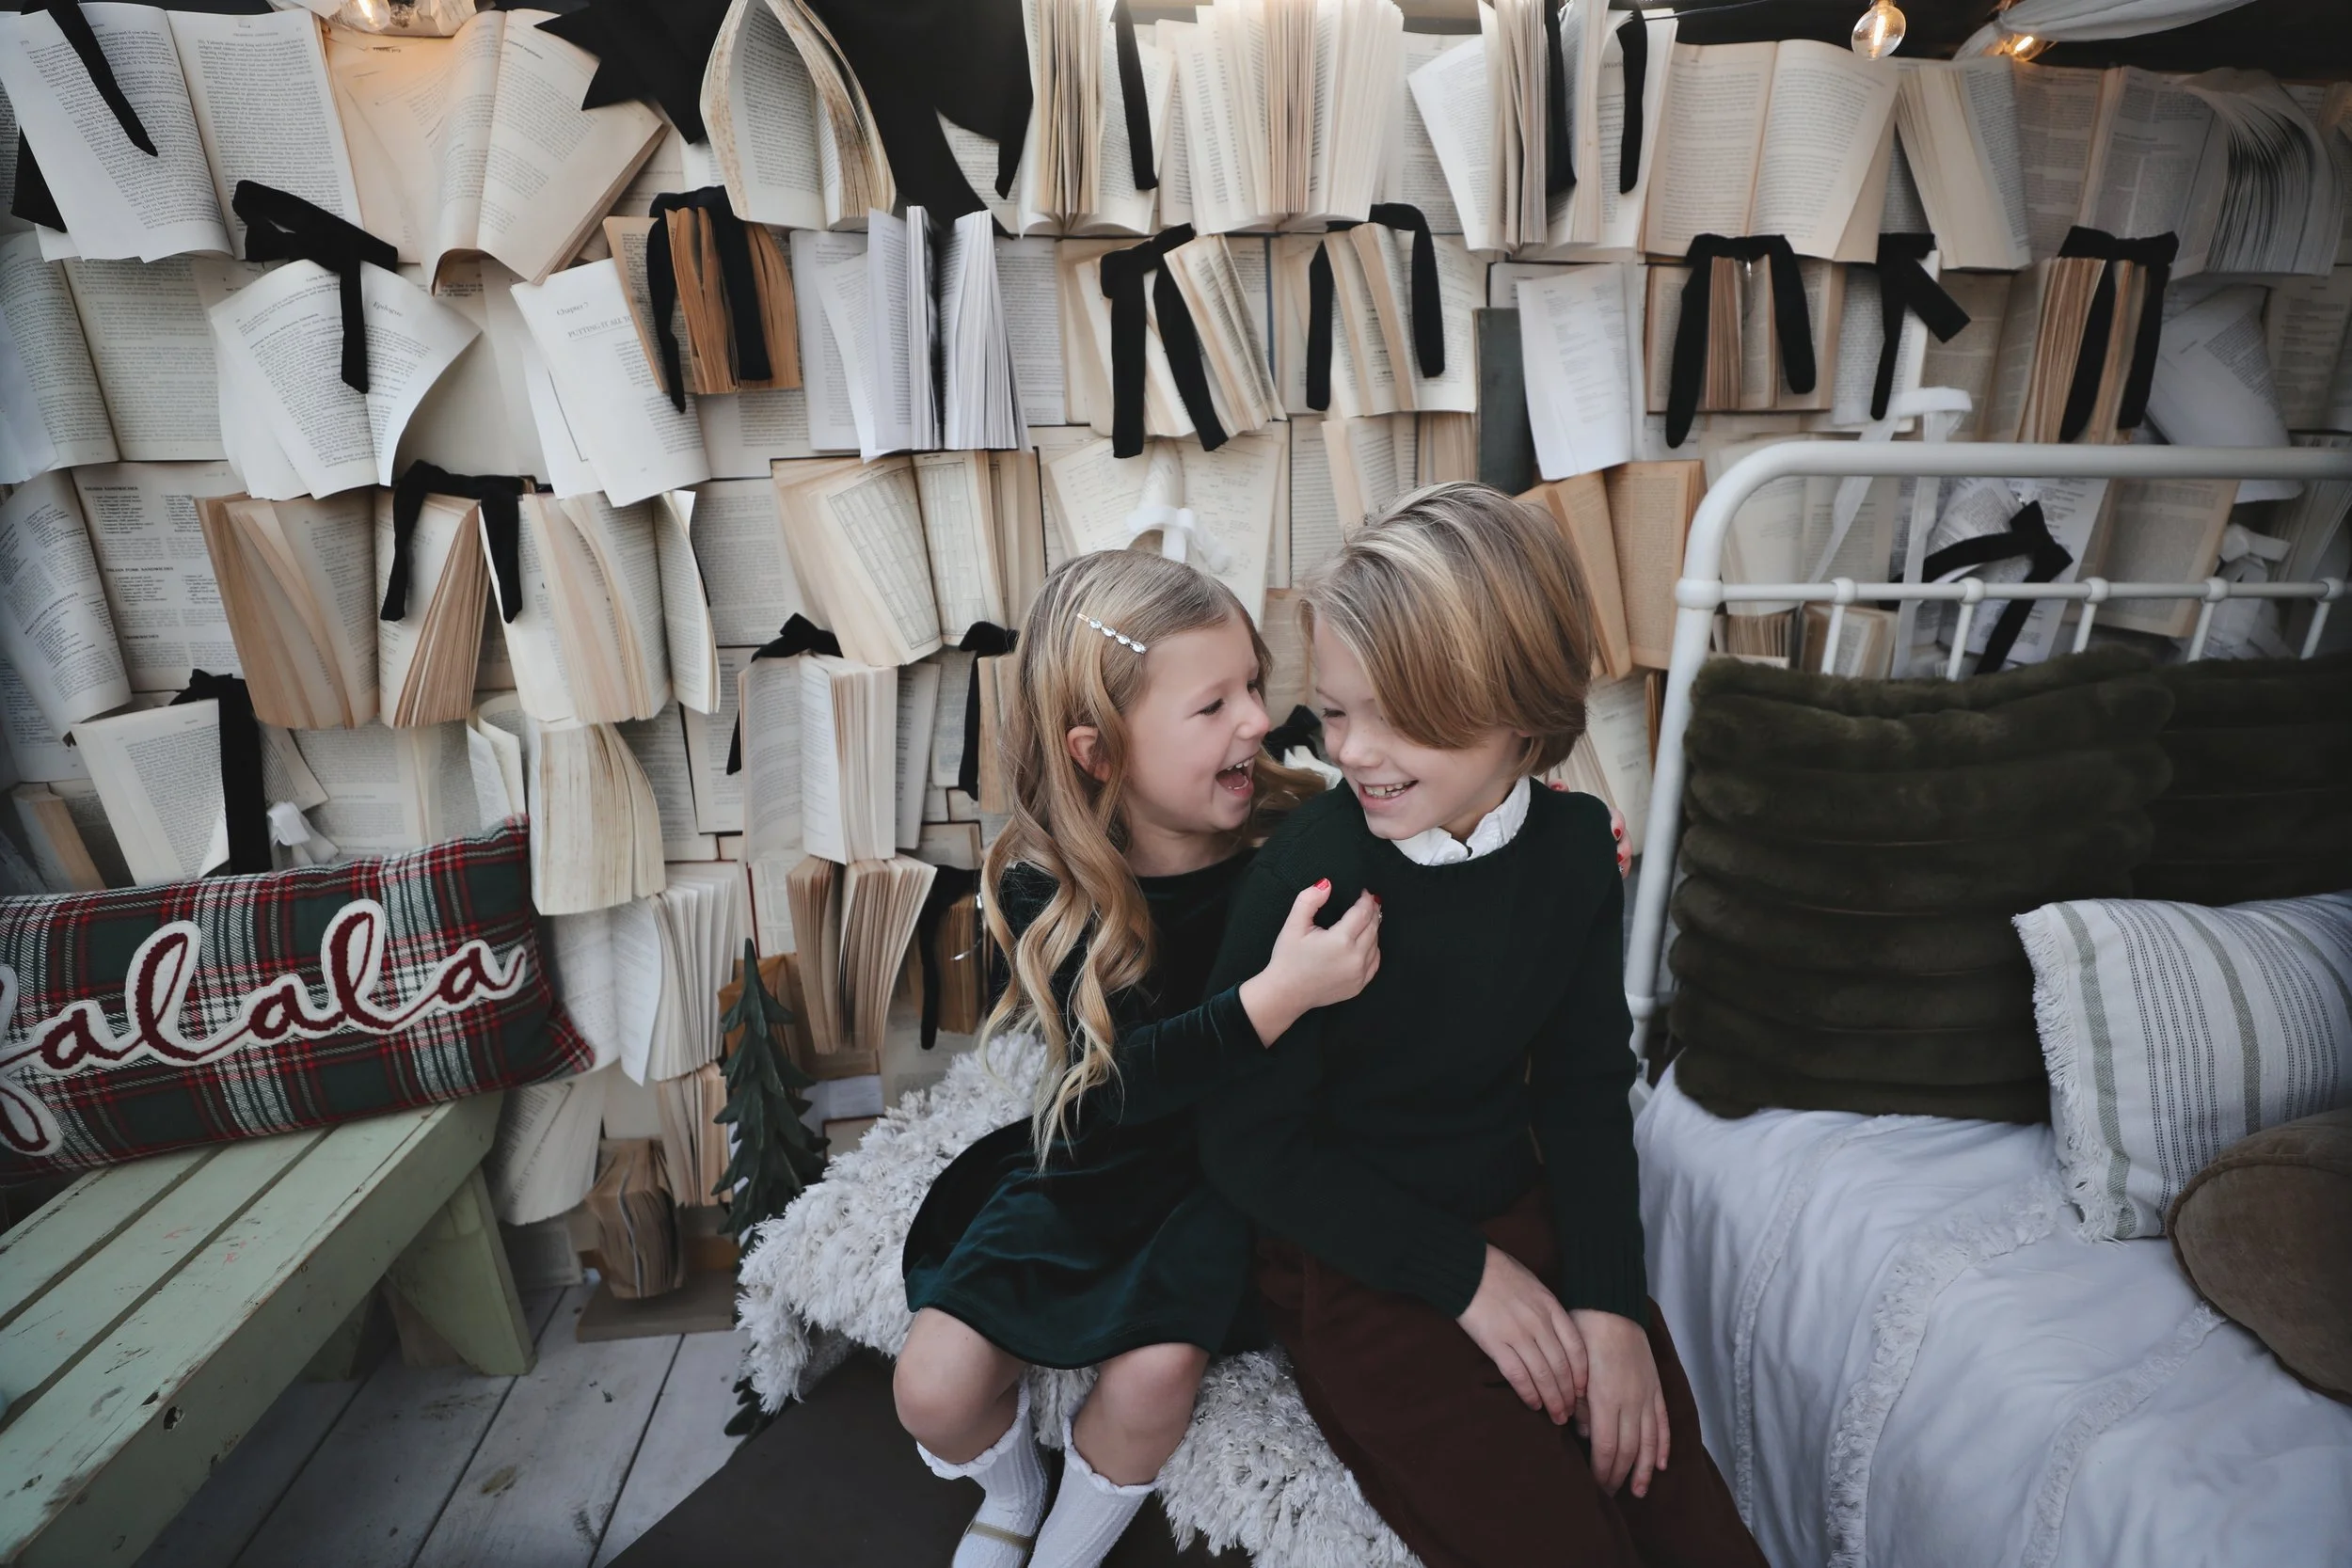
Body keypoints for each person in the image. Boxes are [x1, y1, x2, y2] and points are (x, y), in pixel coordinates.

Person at [1198, 483, 1768, 1568]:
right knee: (1549, 1534)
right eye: (1333, 709)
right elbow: (1243, 1140)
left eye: (1391, 715)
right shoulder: (1306, 874)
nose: (1352, 749)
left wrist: (1608, 1303)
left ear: (1515, 708)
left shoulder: (1571, 848)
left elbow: (1587, 1089)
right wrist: (1457, 1273)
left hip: (1520, 1209)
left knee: (1669, 1493)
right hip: (1351, 1251)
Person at [895, 550, 1380, 1568]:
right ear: (1100, 751)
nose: (1257, 717)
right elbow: (1109, 1088)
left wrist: (1533, 830)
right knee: (931, 1386)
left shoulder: (1291, 838)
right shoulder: (1052, 886)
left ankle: (1073, 1540)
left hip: (1218, 1175)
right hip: (1093, 1156)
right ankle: (1010, 1494)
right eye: (1214, 704)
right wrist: (1269, 999)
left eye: (1254, 683)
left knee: (1155, 1371)